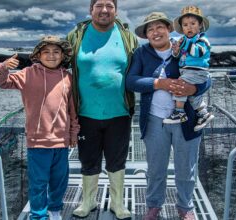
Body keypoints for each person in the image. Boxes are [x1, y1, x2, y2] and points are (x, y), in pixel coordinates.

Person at [126, 12, 210, 220]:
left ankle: (185, 207)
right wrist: (158, 83)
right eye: (150, 29)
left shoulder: (183, 46)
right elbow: (131, 81)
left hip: (187, 119)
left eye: (159, 27)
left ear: (168, 29)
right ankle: (154, 206)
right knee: (155, 168)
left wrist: (194, 89)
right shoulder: (141, 53)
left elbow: (207, 76)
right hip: (154, 119)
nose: (155, 32)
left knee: (186, 167)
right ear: (146, 35)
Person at [0, 35, 80, 220]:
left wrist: (73, 133)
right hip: (37, 142)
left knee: (60, 181)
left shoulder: (68, 77)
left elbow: (72, 108)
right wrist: (2, 68)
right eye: (46, 52)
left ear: (63, 55)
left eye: (56, 52)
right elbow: (3, 82)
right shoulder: (27, 73)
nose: (51, 55)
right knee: (38, 183)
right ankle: (38, 215)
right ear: (38, 55)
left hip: (61, 141)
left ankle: (55, 210)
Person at [66, 0, 138, 219]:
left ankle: (117, 203)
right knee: (88, 159)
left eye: (109, 5)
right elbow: (55, 62)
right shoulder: (76, 35)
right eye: (99, 5)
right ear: (91, 10)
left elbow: (143, 64)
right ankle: (88, 201)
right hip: (86, 113)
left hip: (119, 112)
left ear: (116, 10)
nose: (104, 10)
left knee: (117, 160)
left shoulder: (127, 36)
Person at [163, 5, 214, 132]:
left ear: (200, 25)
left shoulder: (202, 39)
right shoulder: (183, 40)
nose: (189, 27)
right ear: (182, 28)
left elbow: (198, 52)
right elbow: (179, 55)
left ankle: (179, 112)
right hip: (189, 71)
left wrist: (185, 44)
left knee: (180, 85)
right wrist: (176, 51)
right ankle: (204, 114)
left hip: (197, 71)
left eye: (193, 23)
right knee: (192, 97)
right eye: (185, 25)